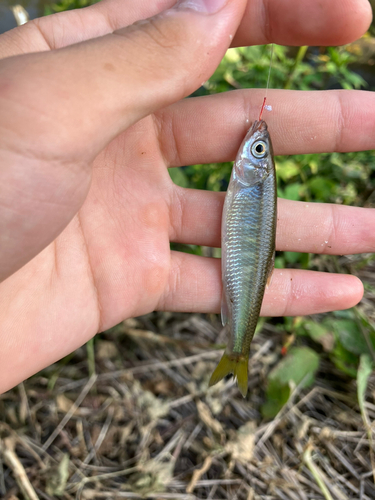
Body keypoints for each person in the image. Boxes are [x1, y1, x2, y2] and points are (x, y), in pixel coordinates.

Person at [0, 0, 373, 394]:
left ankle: (237, 351)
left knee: (245, 293)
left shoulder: (252, 183)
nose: (251, 149)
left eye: (257, 152)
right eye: (258, 151)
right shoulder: (248, 180)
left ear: (256, 170)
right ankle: (237, 352)